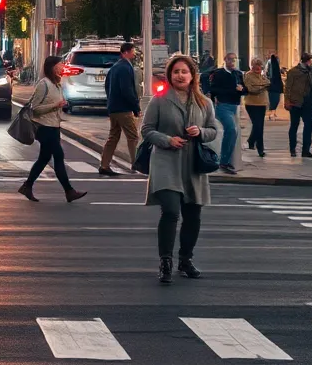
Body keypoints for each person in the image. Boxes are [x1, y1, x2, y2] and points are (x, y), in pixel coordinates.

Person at [141, 54, 219, 284]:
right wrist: (167, 140)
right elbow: (146, 130)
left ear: (193, 75)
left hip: (193, 164)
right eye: (176, 72)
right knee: (172, 211)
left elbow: (213, 130)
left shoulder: (204, 102)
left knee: (193, 214)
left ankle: (186, 259)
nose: (180, 75)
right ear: (170, 75)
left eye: (184, 71)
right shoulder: (159, 100)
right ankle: (165, 260)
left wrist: (201, 132)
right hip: (166, 161)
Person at [17, 56, 87, 204]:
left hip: (54, 126)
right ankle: (69, 191)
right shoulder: (44, 84)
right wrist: (55, 105)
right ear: (52, 67)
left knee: (44, 158)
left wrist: (62, 106)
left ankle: (27, 186)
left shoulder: (57, 84)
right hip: (44, 128)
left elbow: (56, 103)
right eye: (60, 65)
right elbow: (35, 109)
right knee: (59, 156)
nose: (62, 68)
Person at [99, 42, 140, 176]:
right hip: (124, 108)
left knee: (113, 136)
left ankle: (104, 164)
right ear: (126, 52)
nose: (134, 54)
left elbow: (107, 86)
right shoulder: (125, 67)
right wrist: (135, 107)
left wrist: (111, 100)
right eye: (133, 51)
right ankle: (136, 164)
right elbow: (127, 90)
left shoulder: (115, 67)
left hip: (113, 107)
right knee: (133, 136)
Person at [209, 52, 243, 173]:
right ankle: (223, 161)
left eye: (234, 60)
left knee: (233, 132)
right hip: (223, 106)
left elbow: (244, 90)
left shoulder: (238, 74)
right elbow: (213, 89)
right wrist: (232, 90)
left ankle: (224, 160)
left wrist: (241, 90)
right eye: (230, 60)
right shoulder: (219, 73)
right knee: (231, 129)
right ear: (225, 60)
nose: (232, 62)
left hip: (235, 106)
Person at [284, 53, 312, 158]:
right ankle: (292, 149)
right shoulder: (293, 72)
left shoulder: (311, 71)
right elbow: (287, 87)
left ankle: (305, 150)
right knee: (294, 125)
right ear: (306, 61)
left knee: (309, 124)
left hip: (308, 102)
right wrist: (287, 101)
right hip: (295, 102)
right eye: (310, 61)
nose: (311, 63)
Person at [242, 58, 270, 158]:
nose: (258, 69)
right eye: (255, 67)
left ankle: (251, 141)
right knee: (258, 126)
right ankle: (260, 148)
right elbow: (252, 89)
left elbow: (268, 83)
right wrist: (263, 86)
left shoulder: (262, 76)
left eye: (259, 67)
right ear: (252, 67)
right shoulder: (248, 75)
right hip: (251, 104)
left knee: (259, 126)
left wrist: (261, 85)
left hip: (262, 103)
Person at [266, 52, 283, 119]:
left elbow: (267, 71)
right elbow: (268, 71)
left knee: (273, 99)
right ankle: (272, 113)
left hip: (272, 84)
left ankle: (272, 112)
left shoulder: (270, 62)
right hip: (274, 84)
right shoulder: (272, 62)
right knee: (275, 99)